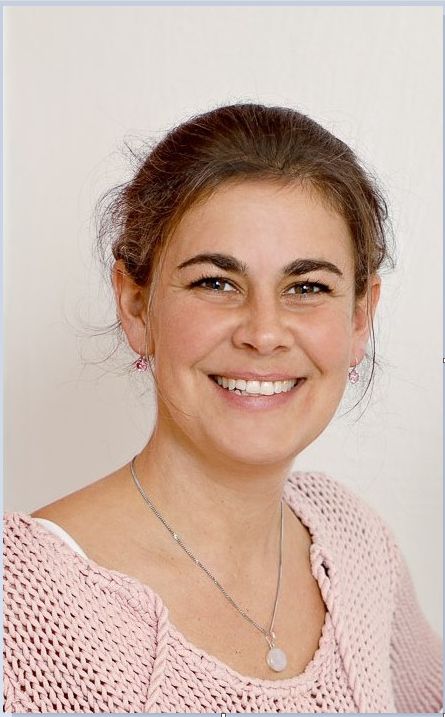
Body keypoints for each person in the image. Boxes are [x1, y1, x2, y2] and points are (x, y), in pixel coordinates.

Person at [3, 103, 442, 713]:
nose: (264, 333)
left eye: (307, 287)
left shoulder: (355, 542)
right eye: (215, 283)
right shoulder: (20, 605)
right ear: (135, 306)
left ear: (360, 317)